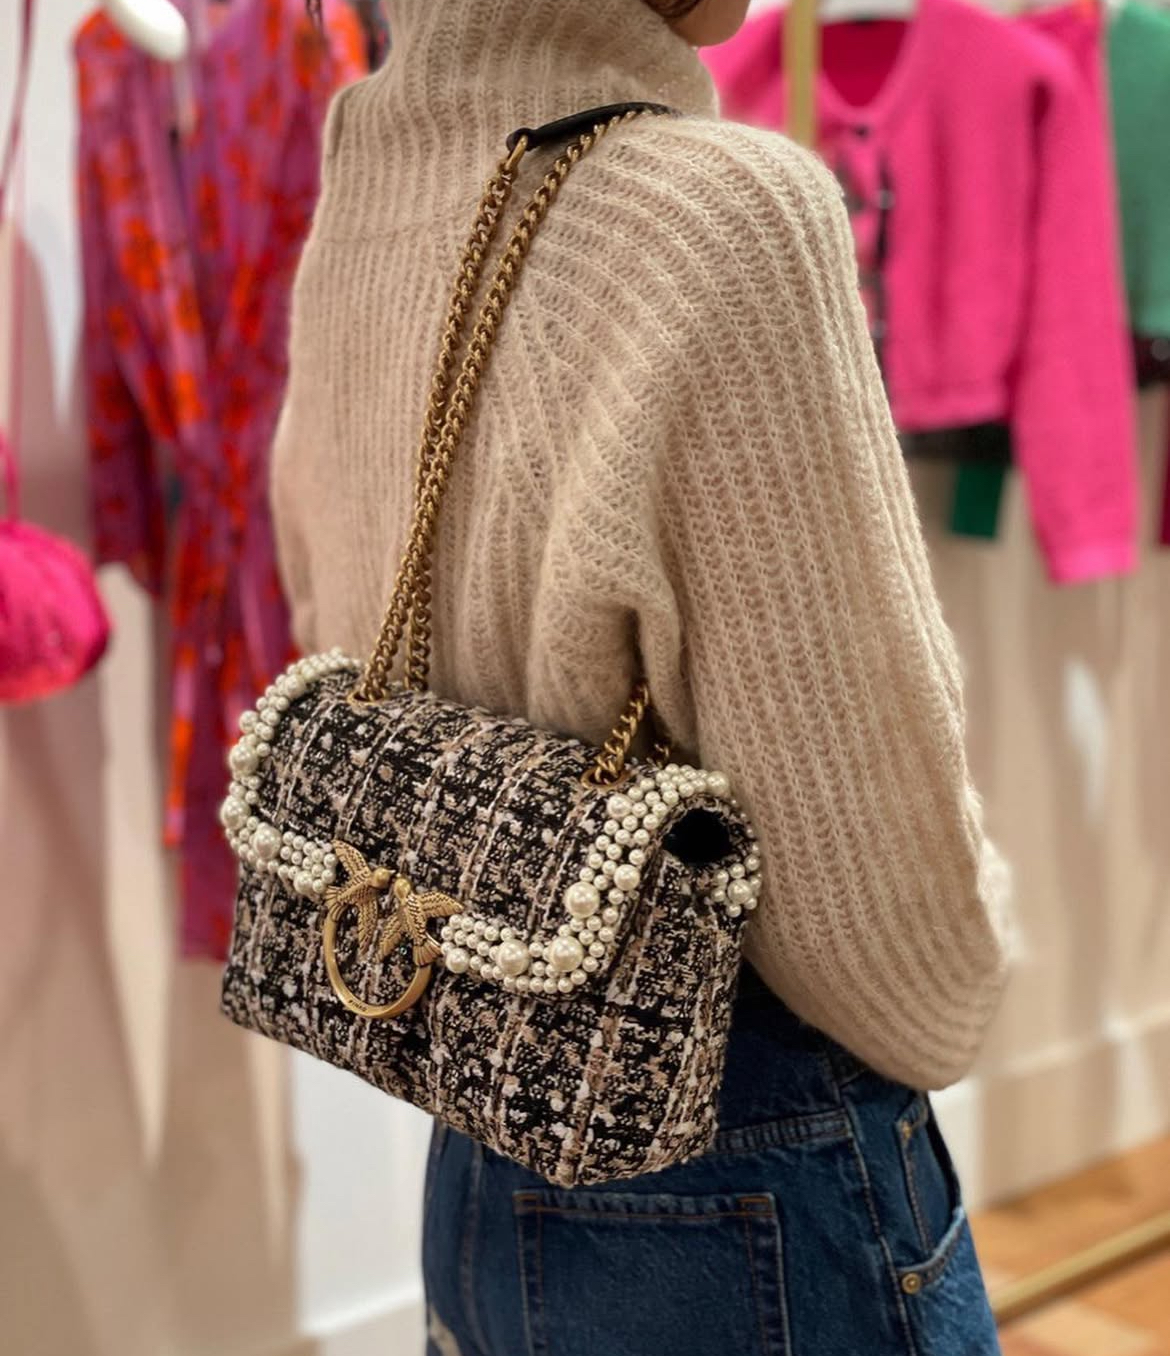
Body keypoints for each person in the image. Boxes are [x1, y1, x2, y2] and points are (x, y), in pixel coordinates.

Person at [273, 0, 1014, 1351]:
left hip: (479, 1122)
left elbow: (328, 623)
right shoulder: (718, 215)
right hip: (744, 1156)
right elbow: (886, 934)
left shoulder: (365, 196)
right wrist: (968, 957)